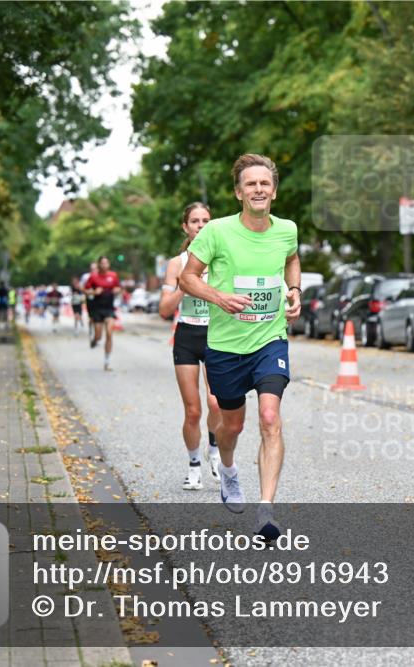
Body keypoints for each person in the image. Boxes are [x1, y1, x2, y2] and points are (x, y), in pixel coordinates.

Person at [180, 154, 301, 540]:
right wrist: (219, 297)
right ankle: (228, 470)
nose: (258, 189)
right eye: (251, 184)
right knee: (232, 424)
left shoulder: (287, 229)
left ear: (274, 191)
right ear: (238, 192)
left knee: (269, 417)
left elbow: (292, 259)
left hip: (270, 338)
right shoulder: (216, 231)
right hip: (226, 345)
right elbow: (187, 278)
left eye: (264, 183)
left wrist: (294, 291)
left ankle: (266, 511)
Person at [160, 202, 223, 490]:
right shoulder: (176, 264)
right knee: (193, 410)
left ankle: (214, 449)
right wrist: (186, 284)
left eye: (206, 220)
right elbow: (164, 309)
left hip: (217, 335)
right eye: (195, 221)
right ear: (185, 227)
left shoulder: (223, 259)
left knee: (217, 402)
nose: (200, 225)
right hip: (187, 335)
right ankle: (194, 466)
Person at [84, 256, 121, 370]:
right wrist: (94, 292)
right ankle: (95, 340)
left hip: (109, 308)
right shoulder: (93, 276)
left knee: (109, 333)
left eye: (106, 263)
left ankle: (107, 362)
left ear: (109, 264)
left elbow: (118, 288)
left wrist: (117, 290)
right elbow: (85, 290)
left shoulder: (113, 275)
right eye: (102, 263)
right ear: (99, 264)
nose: (105, 265)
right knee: (99, 336)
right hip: (97, 308)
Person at [81, 262, 99, 343]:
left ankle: (97, 333)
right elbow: (81, 287)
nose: (93, 270)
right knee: (92, 317)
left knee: (98, 318)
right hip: (90, 299)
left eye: (95, 268)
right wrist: (87, 291)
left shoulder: (101, 276)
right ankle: (91, 330)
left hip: (100, 300)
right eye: (92, 268)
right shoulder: (86, 276)